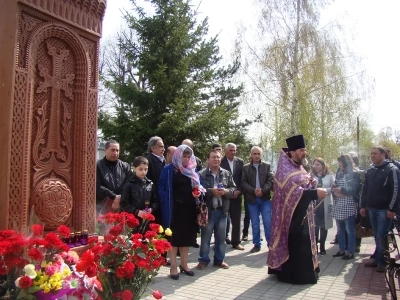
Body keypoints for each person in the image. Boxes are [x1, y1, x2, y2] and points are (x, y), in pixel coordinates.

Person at [268, 134, 327, 285]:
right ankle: (295, 276)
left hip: (304, 213)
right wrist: (314, 193)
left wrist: (311, 183)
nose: (304, 153)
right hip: (292, 217)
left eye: (305, 150)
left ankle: (308, 271)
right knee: (297, 244)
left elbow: (302, 186)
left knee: (305, 243)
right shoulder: (285, 170)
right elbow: (293, 192)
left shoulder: (299, 166)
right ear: (292, 153)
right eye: (301, 150)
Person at [158, 145, 204, 280]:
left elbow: (198, 186)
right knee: (173, 239)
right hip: (174, 210)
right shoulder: (169, 169)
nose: (186, 159)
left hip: (189, 209)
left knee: (186, 238)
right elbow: (161, 187)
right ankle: (173, 267)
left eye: (189, 157)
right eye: (184, 156)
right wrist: (165, 201)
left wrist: (198, 193)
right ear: (178, 155)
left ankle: (184, 265)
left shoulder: (191, 170)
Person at [360, 145, 400, 272]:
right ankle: (378, 258)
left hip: (384, 210)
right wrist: (363, 205)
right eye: (371, 154)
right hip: (372, 208)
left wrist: (391, 209)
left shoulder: (391, 169)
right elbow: (365, 189)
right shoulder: (370, 170)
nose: (372, 156)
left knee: (381, 235)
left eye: (375, 153)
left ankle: (381, 262)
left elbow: (395, 190)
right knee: (377, 235)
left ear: (383, 155)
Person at [197, 149, 236, 270]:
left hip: (222, 211)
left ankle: (219, 260)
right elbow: (198, 191)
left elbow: (233, 189)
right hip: (208, 211)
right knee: (205, 238)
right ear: (208, 159)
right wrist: (210, 191)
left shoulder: (226, 173)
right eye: (213, 157)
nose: (216, 159)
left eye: (218, 157)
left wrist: (225, 192)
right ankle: (203, 260)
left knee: (221, 239)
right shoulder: (201, 174)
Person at [241, 146, 274, 253]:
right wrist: (254, 190)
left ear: (261, 155)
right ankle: (257, 244)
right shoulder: (245, 168)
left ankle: (270, 244)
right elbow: (244, 182)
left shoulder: (267, 166)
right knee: (255, 223)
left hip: (264, 199)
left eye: (258, 154)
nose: (256, 156)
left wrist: (263, 190)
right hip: (252, 199)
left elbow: (270, 181)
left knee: (268, 222)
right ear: (251, 155)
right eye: (254, 154)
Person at [331, 154, 361, 260]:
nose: (338, 164)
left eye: (340, 162)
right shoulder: (339, 173)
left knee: (350, 229)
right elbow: (334, 185)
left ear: (345, 162)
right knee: (340, 229)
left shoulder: (355, 174)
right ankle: (342, 249)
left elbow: (354, 189)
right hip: (338, 203)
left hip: (349, 204)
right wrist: (334, 189)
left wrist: (342, 191)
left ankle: (350, 252)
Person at [96, 140, 133, 216]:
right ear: (105, 150)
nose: (115, 153)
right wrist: (113, 197)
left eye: (117, 150)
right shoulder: (98, 166)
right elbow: (97, 186)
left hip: (122, 205)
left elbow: (130, 184)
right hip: (103, 207)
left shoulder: (125, 166)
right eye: (113, 150)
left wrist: (119, 199)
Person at [220, 143, 244, 250]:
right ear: (225, 151)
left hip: (237, 196)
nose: (233, 152)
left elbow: (243, 178)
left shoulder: (240, 162)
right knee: (222, 220)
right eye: (231, 150)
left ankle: (236, 242)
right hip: (224, 196)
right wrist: (227, 192)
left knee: (236, 220)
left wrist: (238, 191)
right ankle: (220, 242)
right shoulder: (220, 161)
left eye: (234, 150)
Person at [311, 158, 334, 255]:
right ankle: (315, 246)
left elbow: (333, 187)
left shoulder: (329, 176)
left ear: (323, 166)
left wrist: (324, 190)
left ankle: (322, 246)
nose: (316, 167)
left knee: (324, 226)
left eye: (318, 164)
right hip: (315, 204)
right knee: (315, 225)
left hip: (325, 202)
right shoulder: (311, 176)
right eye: (314, 165)